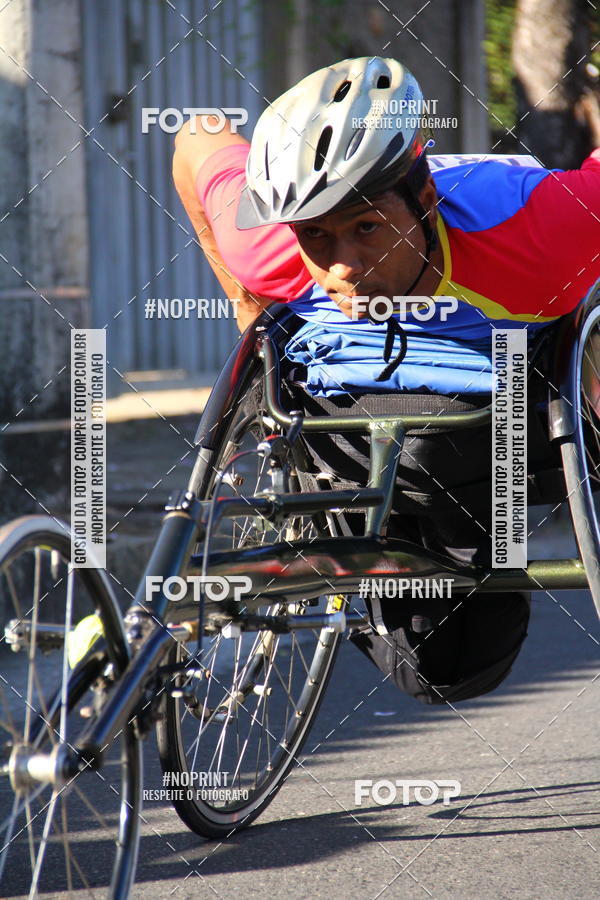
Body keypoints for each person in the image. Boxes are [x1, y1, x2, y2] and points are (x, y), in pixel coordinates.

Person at [173, 56, 600, 705]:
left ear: (425, 203)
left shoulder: (541, 230)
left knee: (463, 664)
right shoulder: (265, 247)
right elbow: (197, 134)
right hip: (347, 430)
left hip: (495, 430)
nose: (343, 266)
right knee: (428, 671)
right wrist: (244, 301)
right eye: (317, 236)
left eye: (367, 228)